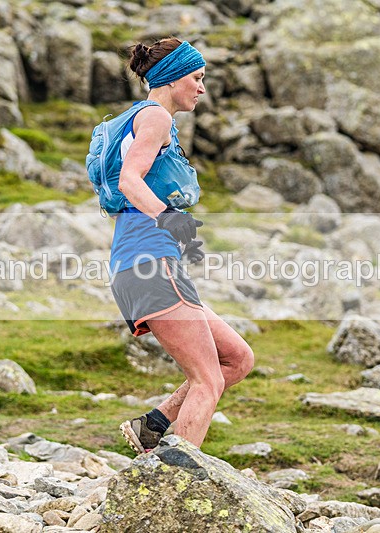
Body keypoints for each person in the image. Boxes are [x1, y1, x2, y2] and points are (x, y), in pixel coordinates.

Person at [108, 38, 254, 453]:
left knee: (237, 358)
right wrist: (171, 219)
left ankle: (153, 425)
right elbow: (129, 181)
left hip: (145, 264)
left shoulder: (141, 118)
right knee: (207, 380)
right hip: (150, 264)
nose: (202, 88)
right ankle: (177, 477)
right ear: (173, 78)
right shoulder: (155, 116)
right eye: (197, 77)